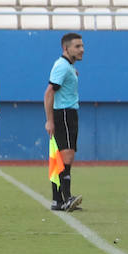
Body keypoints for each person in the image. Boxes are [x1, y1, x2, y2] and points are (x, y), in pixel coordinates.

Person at [44, 32, 85, 212]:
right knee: (66, 156)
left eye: (82, 46)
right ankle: (66, 198)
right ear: (66, 48)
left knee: (64, 157)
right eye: (77, 46)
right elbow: (49, 93)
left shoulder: (67, 66)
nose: (82, 49)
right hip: (64, 114)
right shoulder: (62, 66)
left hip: (68, 113)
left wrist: (72, 72)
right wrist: (49, 121)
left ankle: (58, 200)